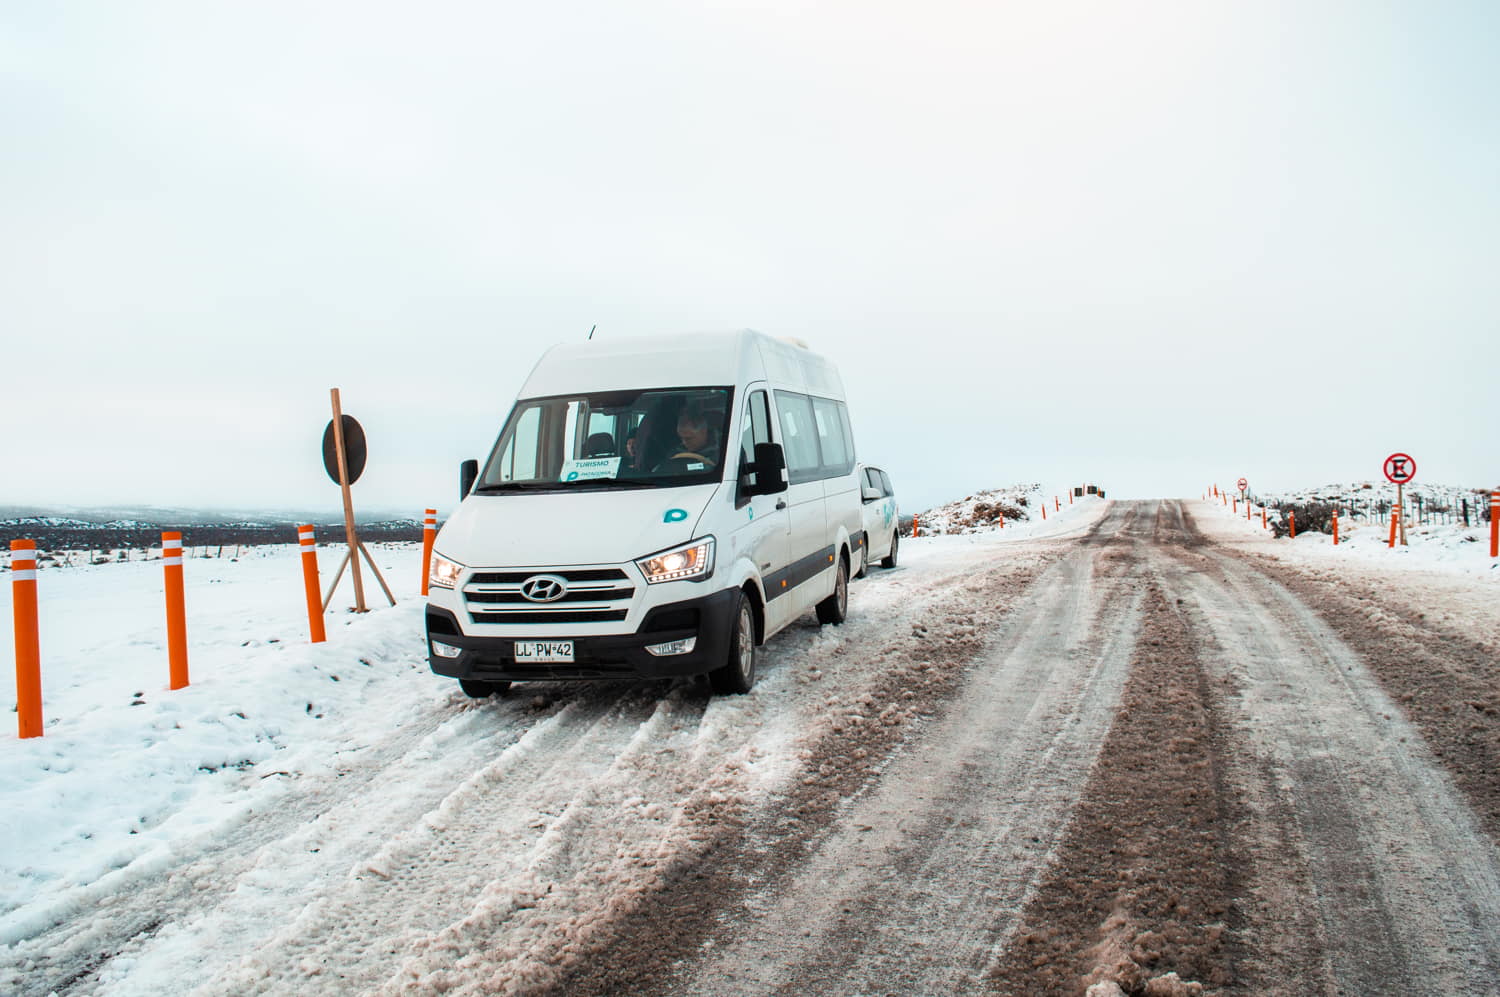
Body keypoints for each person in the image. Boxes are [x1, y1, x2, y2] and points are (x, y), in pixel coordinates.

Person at [656, 405, 721, 470]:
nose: (684, 442)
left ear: (703, 431)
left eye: (689, 438)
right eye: (681, 438)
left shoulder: (723, 450)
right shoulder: (674, 453)